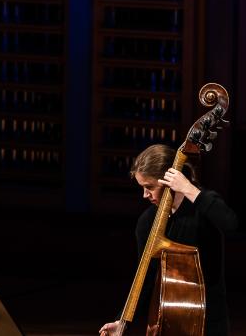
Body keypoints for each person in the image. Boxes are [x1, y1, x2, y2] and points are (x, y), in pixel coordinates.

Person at [99, 144, 237, 336]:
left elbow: (231, 225)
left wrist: (189, 188)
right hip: (166, 319)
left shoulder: (202, 206)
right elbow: (146, 278)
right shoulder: (147, 221)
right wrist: (123, 321)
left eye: (149, 187)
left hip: (209, 318)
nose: (145, 195)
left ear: (170, 180)